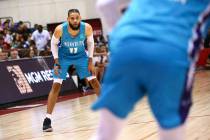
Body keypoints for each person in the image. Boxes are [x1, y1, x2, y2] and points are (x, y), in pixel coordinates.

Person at [91, 0, 210, 140]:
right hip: (171, 53)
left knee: (105, 133)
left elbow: (105, 5)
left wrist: (119, 37)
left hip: (127, 47)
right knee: (171, 131)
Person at [42, 9, 101, 132]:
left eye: (77, 18)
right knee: (56, 85)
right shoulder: (59, 29)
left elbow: (90, 44)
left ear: (80, 18)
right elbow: (53, 44)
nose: (75, 20)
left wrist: (90, 61)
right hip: (64, 57)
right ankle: (47, 119)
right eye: (72, 18)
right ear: (68, 19)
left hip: (81, 56)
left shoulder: (87, 27)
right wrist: (57, 61)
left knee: (94, 81)